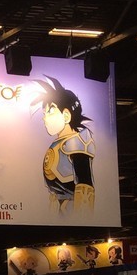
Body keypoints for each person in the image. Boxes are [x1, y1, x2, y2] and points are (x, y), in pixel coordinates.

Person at [32, 75, 95, 215]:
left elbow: (85, 186)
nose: (44, 118)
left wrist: (83, 218)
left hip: (72, 212)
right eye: (44, 113)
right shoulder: (59, 143)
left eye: (50, 112)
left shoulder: (77, 142)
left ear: (66, 115)